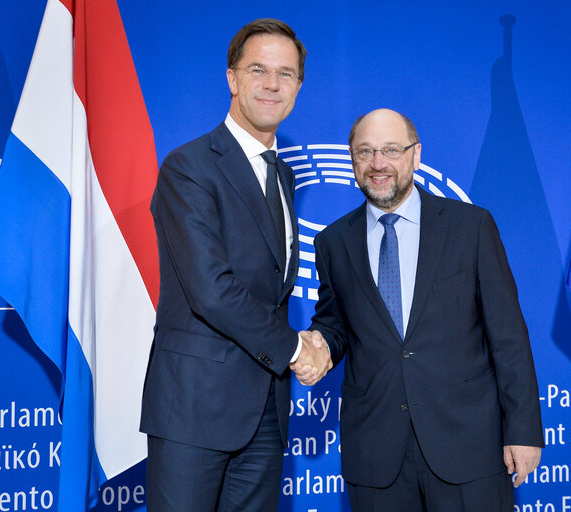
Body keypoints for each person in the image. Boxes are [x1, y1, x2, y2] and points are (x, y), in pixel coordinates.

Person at [305, 108, 543, 512]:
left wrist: (523, 431)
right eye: (365, 152)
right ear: (352, 160)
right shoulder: (332, 243)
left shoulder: (471, 227)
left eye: (391, 150)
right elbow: (335, 324)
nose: (378, 164)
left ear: (416, 156)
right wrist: (321, 347)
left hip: (468, 447)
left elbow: (508, 335)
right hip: (377, 455)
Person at [140, 18, 331, 512]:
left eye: (286, 74)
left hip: (265, 410)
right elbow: (211, 290)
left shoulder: (283, 174)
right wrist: (295, 348)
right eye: (259, 70)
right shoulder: (190, 167)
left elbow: (269, 287)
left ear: (299, 87)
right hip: (195, 410)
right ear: (232, 78)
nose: (272, 85)